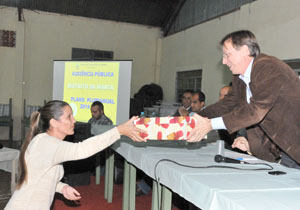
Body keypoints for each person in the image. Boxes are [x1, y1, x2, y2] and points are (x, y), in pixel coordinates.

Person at [187, 30, 300, 169]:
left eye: (227, 55)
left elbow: (255, 111)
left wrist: (210, 125)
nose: (224, 61)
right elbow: (227, 104)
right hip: (280, 147)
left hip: (294, 144)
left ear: (245, 50)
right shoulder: (239, 78)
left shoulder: (268, 67)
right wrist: (194, 118)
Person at [5, 100, 146, 210]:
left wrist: (62, 188)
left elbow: (40, 176)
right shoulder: (47, 143)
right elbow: (81, 149)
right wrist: (118, 131)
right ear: (54, 123)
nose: (74, 120)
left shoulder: (44, 141)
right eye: (69, 116)